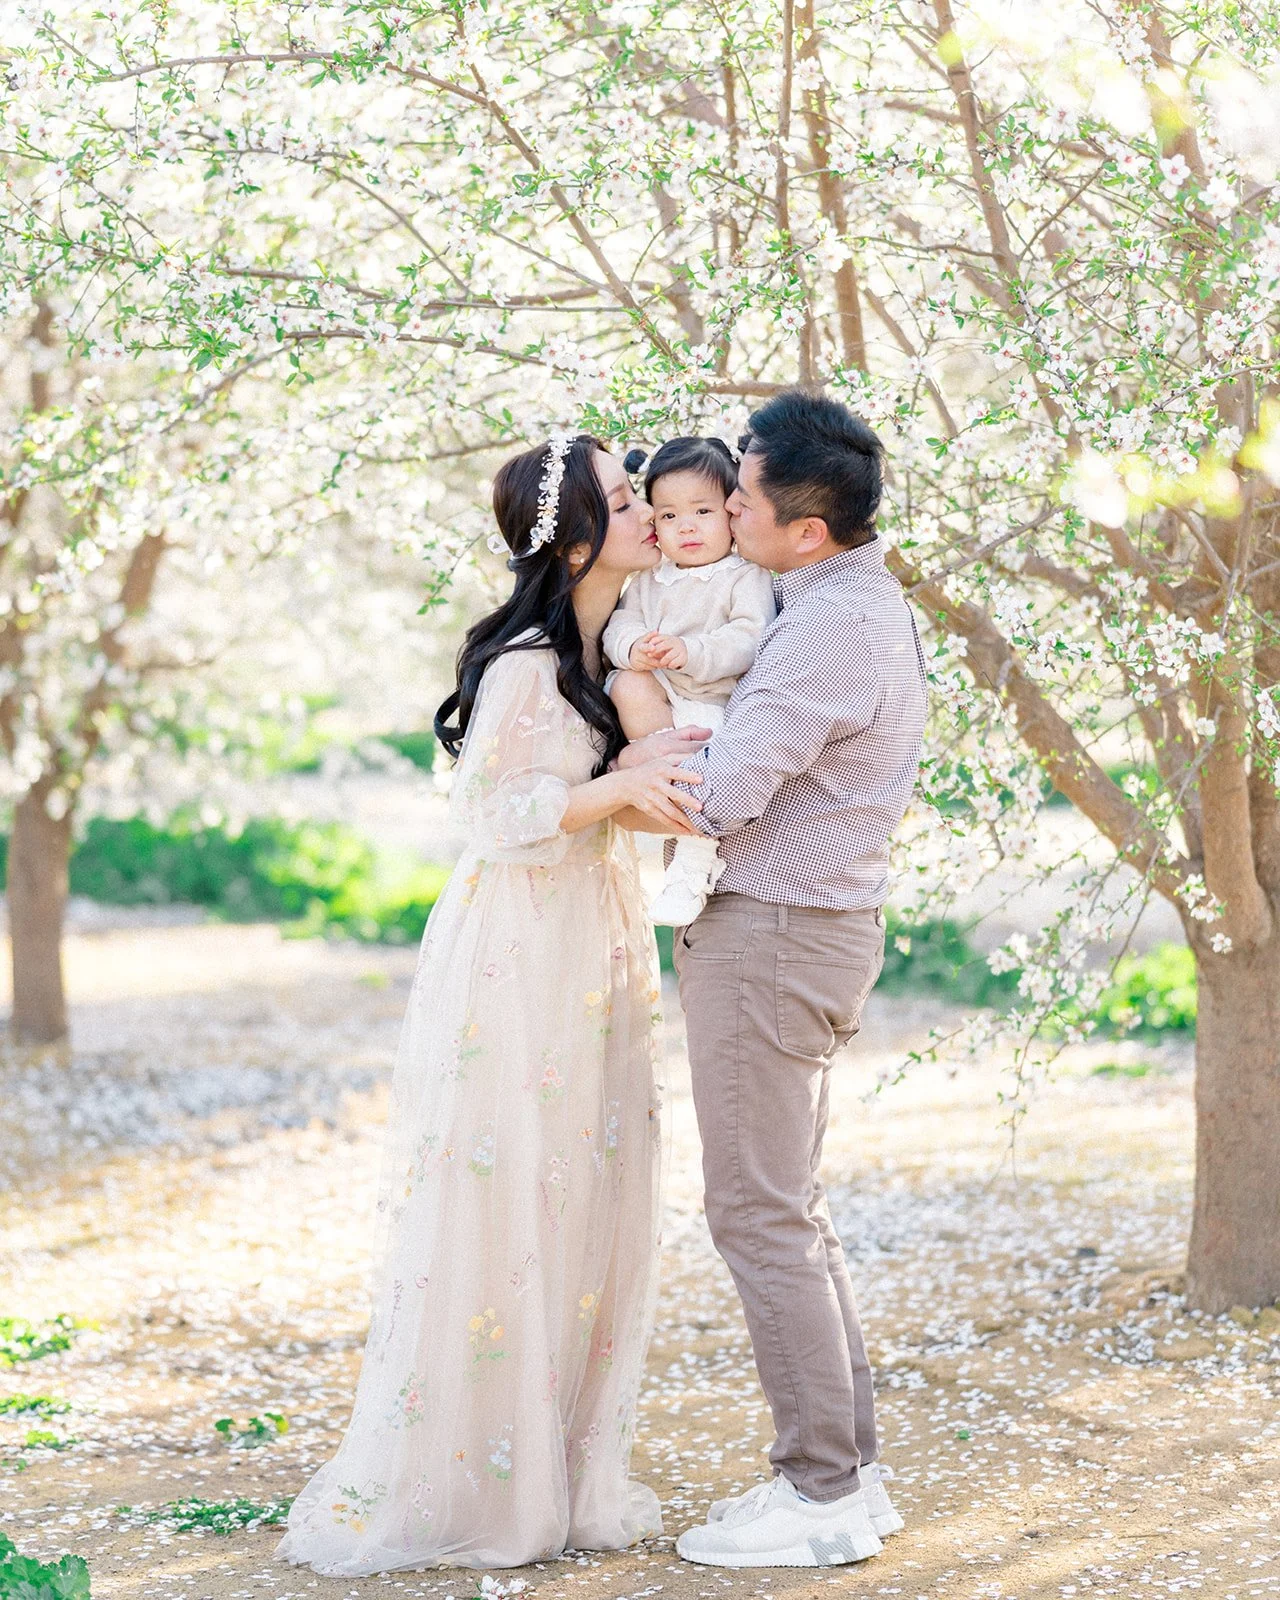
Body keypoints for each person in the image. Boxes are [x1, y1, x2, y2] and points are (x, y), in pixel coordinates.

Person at [276, 434, 706, 1575]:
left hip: (591, 932)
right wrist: (614, 785)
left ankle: (556, 1464)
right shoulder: (524, 660)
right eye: (625, 499)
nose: (648, 513)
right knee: (509, 1180)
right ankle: (477, 1476)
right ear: (573, 539)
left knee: (585, 1181)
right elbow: (491, 811)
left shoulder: (610, 647)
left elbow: (625, 795)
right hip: (515, 948)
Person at [668, 391, 928, 1569]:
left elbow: (724, 792)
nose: (723, 505)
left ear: (803, 527)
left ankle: (817, 1493)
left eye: (741, 494)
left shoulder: (829, 625)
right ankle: (849, 1475)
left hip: (772, 933)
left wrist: (607, 769)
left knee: (757, 1213)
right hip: (801, 929)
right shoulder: (838, 597)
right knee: (789, 1209)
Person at [602, 436, 776, 925]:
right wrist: (634, 647)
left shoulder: (745, 575)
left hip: (714, 709)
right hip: (661, 709)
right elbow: (620, 624)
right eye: (669, 516)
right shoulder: (649, 579)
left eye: (702, 511)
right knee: (625, 682)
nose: (687, 528)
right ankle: (658, 775)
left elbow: (749, 637)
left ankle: (695, 863)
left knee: (701, 774)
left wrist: (691, 652)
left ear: (731, 513)